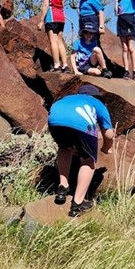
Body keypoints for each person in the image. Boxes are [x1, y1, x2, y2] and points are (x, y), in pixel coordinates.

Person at [48, 84, 115, 217]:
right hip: (81, 122)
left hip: (55, 121)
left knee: (64, 148)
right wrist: (106, 148)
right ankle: (77, 204)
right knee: (88, 159)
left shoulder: (67, 98)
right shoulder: (98, 103)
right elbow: (109, 134)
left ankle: (63, 186)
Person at [37, 0, 68, 72]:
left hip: (52, 16)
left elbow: (45, 4)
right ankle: (65, 65)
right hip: (61, 17)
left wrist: (41, 20)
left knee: (53, 41)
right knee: (60, 41)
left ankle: (56, 65)